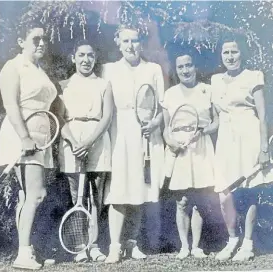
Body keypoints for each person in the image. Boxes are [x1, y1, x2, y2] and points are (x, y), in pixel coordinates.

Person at [102, 24, 165, 263]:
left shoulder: (154, 69)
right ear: (118, 43)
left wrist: (155, 124)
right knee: (119, 190)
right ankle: (114, 247)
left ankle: (132, 243)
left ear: (141, 43)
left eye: (135, 40)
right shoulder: (109, 70)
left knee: (140, 189)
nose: (131, 46)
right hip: (119, 133)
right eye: (126, 41)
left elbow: (162, 107)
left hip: (146, 134)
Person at [0, 22, 57, 269]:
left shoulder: (39, 69)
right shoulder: (13, 67)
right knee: (36, 194)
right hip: (24, 136)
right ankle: (22, 255)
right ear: (21, 42)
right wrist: (24, 138)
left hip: (42, 139)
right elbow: (11, 106)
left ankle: (28, 249)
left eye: (44, 39)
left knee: (29, 196)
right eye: (35, 39)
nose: (42, 43)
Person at [212, 35, 272, 261]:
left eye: (234, 52)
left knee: (249, 191)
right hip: (225, 139)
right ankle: (232, 239)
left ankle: (247, 244)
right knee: (223, 193)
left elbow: (263, 115)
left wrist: (264, 148)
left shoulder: (253, 76)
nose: (230, 56)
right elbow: (216, 118)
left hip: (249, 136)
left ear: (242, 54)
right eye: (226, 52)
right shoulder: (215, 80)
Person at [57, 39, 113, 262]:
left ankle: (95, 244)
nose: (86, 60)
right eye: (81, 55)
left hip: (97, 138)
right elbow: (59, 119)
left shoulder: (104, 84)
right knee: (76, 195)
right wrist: (72, 141)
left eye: (90, 55)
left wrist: (89, 141)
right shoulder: (63, 85)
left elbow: (107, 117)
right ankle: (80, 246)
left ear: (95, 59)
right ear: (73, 58)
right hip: (71, 140)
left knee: (95, 196)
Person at [162, 50, 219, 259]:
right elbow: (166, 128)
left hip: (201, 147)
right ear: (176, 70)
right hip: (179, 149)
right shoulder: (170, 94)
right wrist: (172, 143)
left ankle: (196, 246)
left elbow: (216, 121)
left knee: (198, 201)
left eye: (189, 65)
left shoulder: (207, 90)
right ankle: (184, 246)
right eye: (180, 67)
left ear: (195, 67)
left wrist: (202, 131)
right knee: (182, 201)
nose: (185, 70)